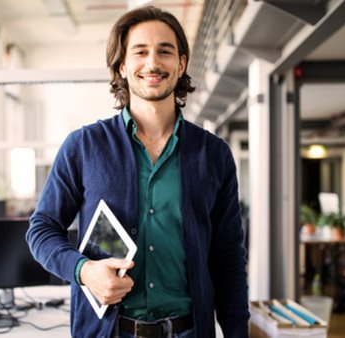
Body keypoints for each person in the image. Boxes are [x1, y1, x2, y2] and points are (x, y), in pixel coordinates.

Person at [27, 6, 249, 338]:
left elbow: (228, 258)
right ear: (122, 65)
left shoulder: (213, 154)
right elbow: (41, 230)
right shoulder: (84, 146)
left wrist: (237, 332)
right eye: (140, 52)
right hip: (110, 331)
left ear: (182, 63)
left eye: (165, 51)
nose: (152, 63)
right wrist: (84, 270)